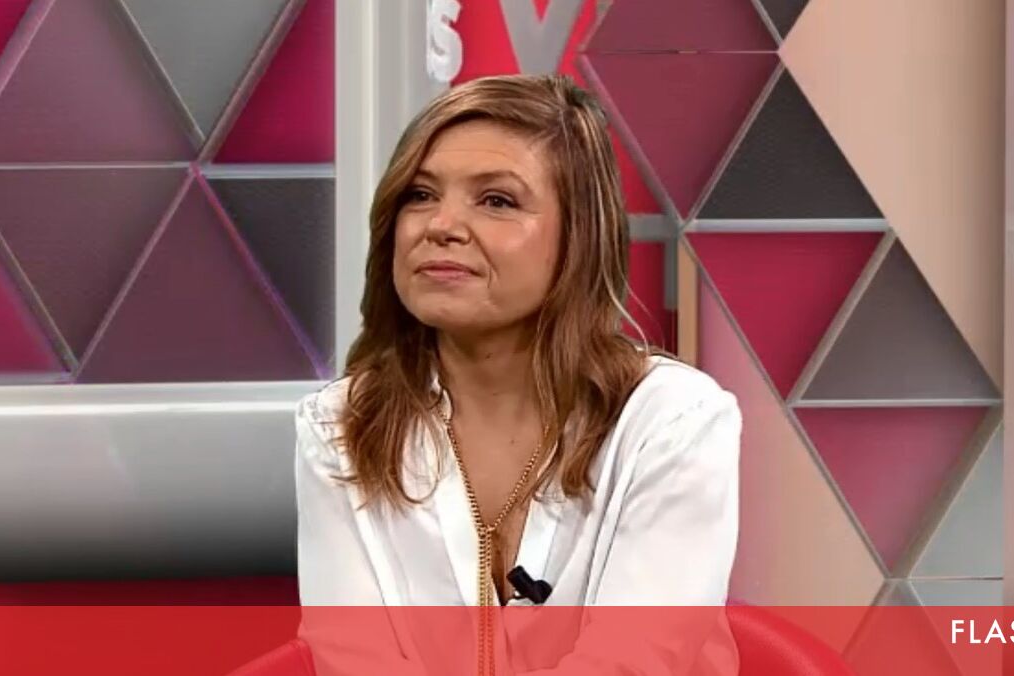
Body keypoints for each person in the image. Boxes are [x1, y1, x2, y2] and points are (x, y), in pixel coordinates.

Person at [294, 73, 742, 675]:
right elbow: (353, 661)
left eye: (497, 201)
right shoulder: (341, 425)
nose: (440, 225)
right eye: (420, 195)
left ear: (578, 238)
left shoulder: (672, 423)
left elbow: (629, 666)